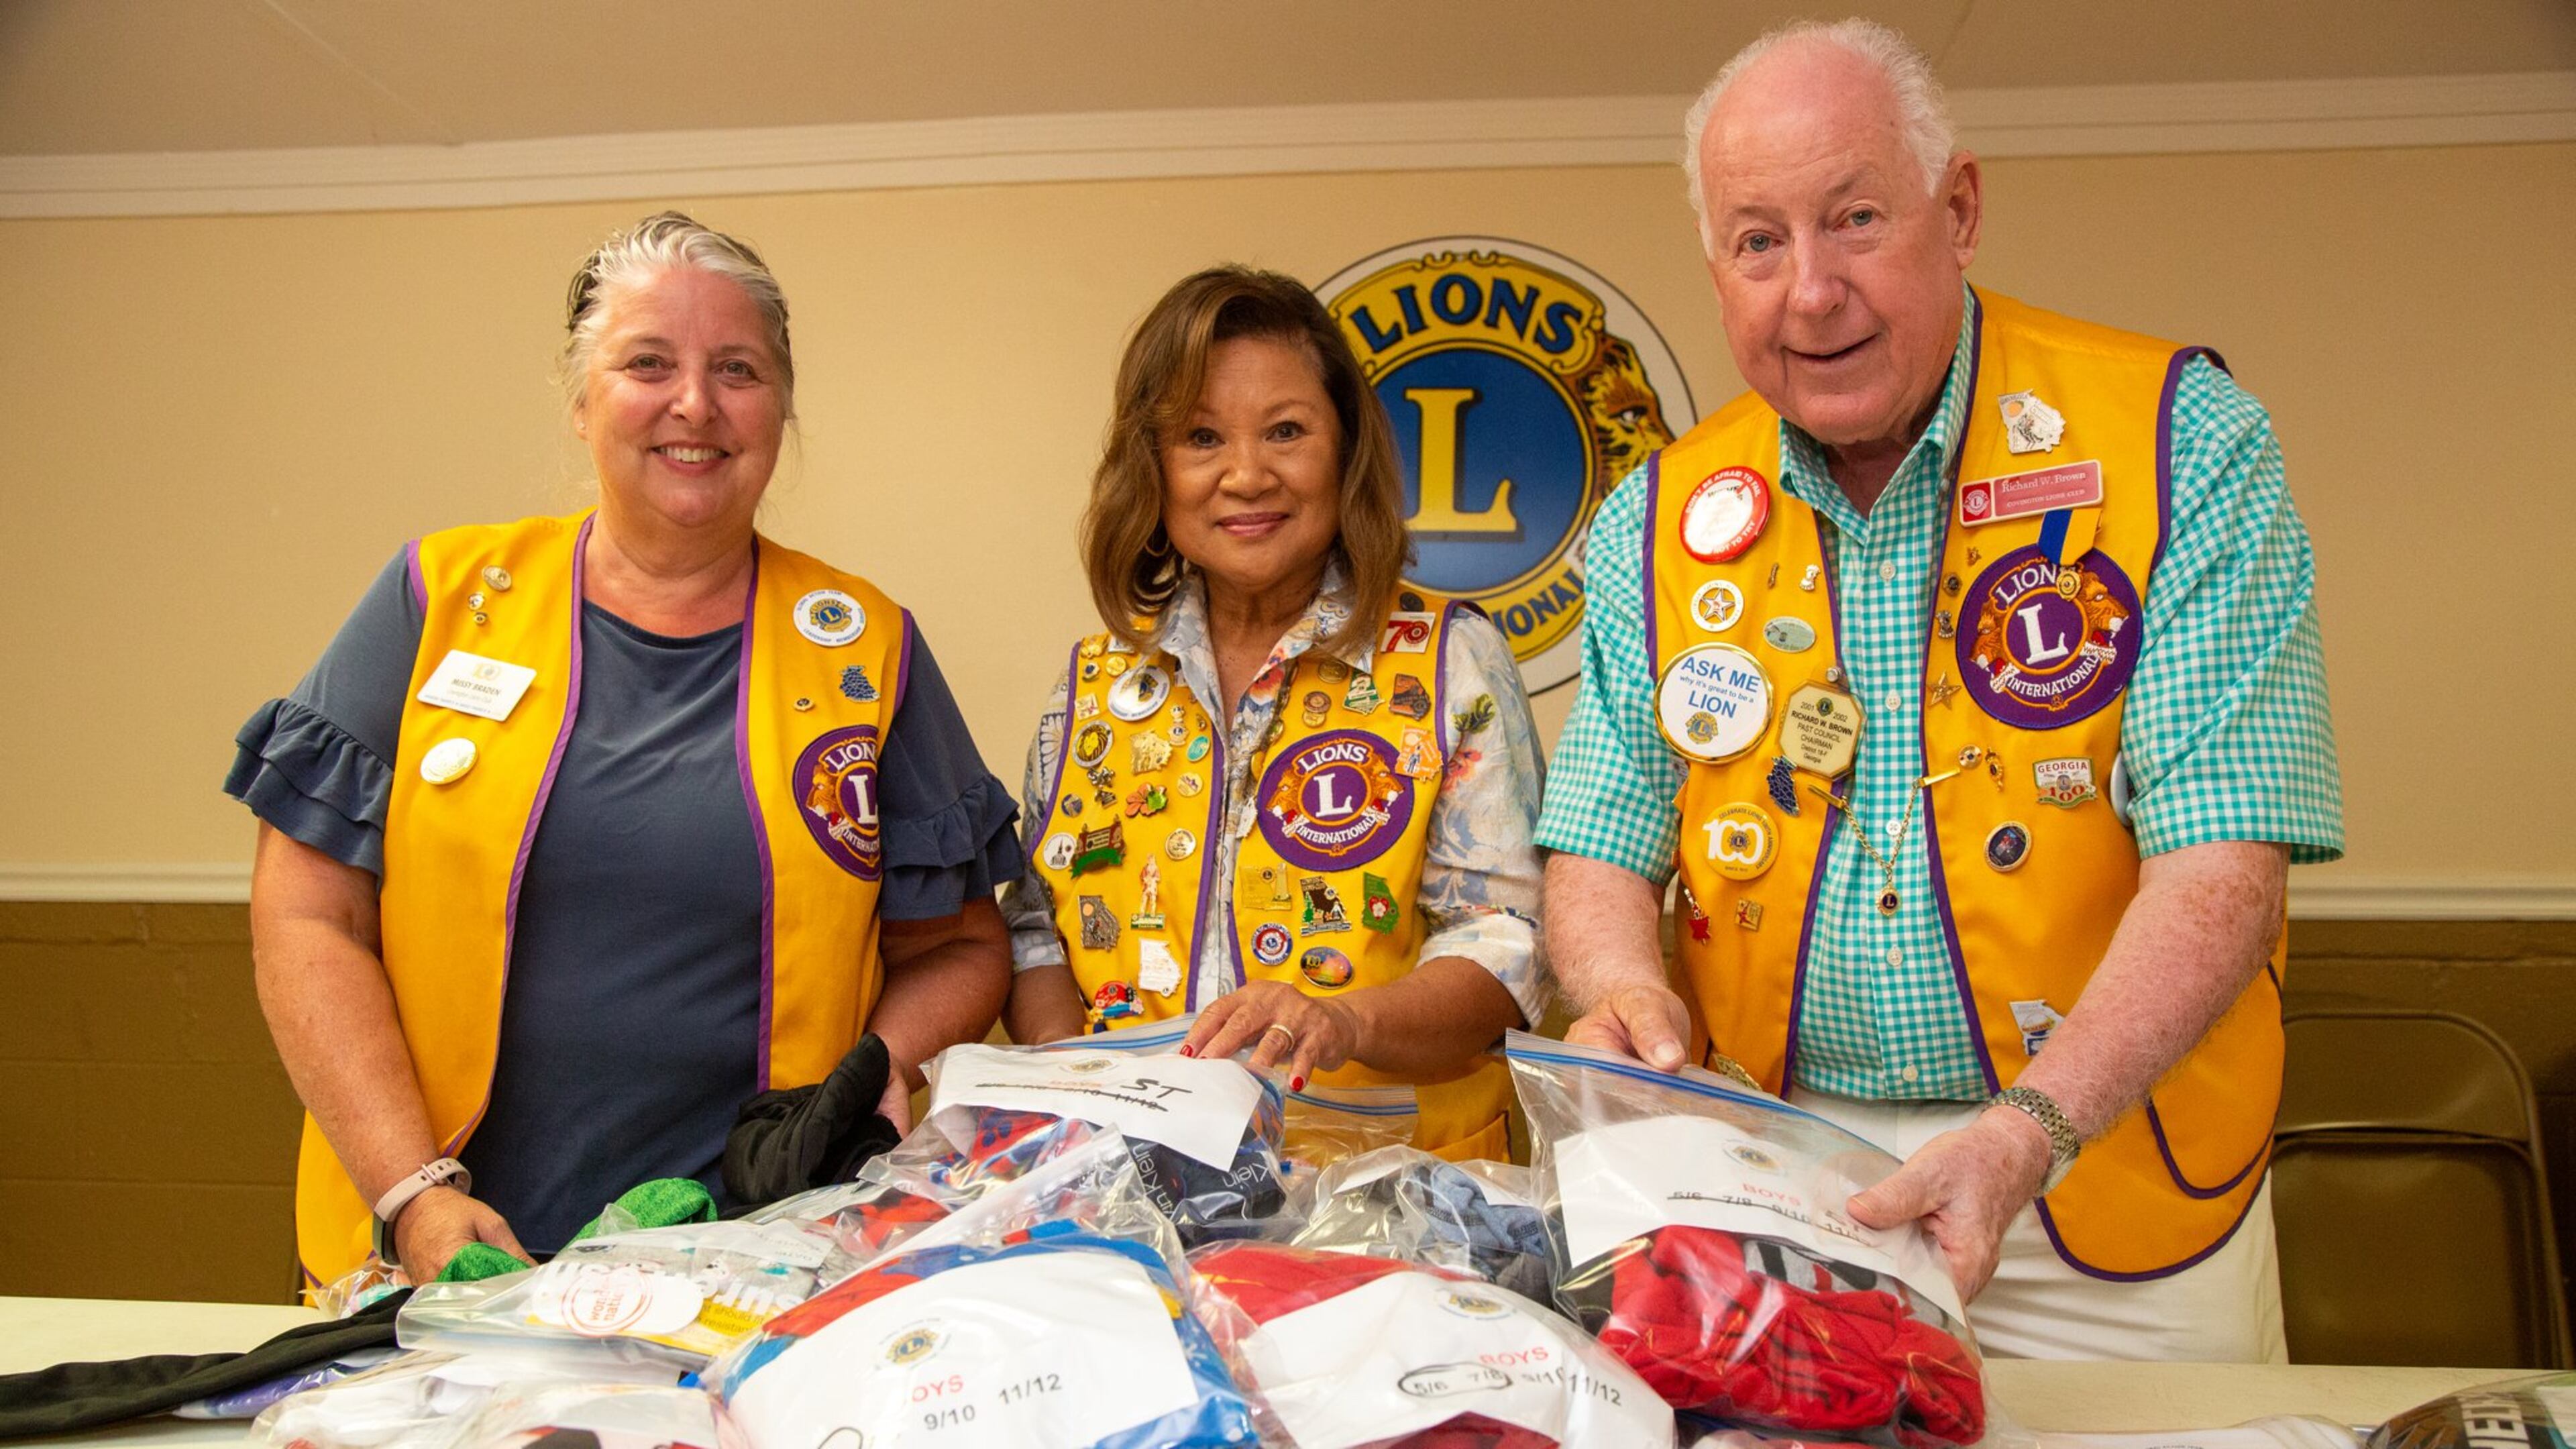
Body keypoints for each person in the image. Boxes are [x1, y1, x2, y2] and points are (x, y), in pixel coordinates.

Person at [1538, 21, 2341, 1360]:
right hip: (1777, 1182)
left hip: (2106, 1185)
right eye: (1758, 241)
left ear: (1958, 211)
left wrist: (2028, 1131)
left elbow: (2225, 866)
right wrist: (1623, 987)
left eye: (1855, 219)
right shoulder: (1656, 517)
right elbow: (1599, 842)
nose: (1811, 292)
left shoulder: (2180, 442)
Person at [226, 213, 1019, 1293]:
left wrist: (881, 1066)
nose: (695, 403)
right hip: (438, 1258)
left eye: (736, 369)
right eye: (649, 364)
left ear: (781, 407)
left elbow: (960, 947)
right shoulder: (436, 602)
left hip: (757, 1265)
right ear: (581, 398)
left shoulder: (866, 648)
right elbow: (308, 917)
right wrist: (414, 1195)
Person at [998, 266, 1546, 1161]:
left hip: (1393, 1192)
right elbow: (1036, 935)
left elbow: (1506, 948)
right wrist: (1081, 1095)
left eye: (1286, 431)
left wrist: (1343, 1021)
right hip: (1125, 1188)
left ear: (1345, 453)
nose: (1246, 475)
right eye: (1201, 437)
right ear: (1154, 468)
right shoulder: (1093, 685)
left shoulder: (1453, 660)